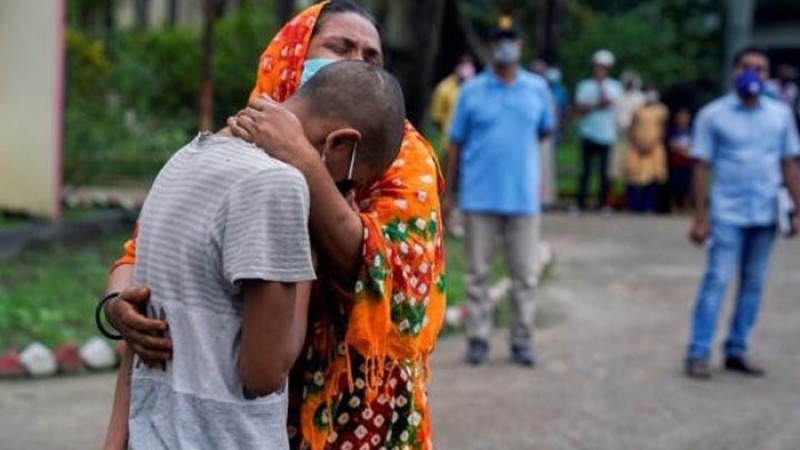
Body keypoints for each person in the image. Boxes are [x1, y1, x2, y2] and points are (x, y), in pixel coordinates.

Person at [99, 2, 446, 449]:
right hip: (244, 418)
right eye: (341, 47)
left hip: (352, 415)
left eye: (372, 56)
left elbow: (391, 275)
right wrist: (117, 305)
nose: (357, 64)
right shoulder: (252, 155)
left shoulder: (200, 151)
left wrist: (304, 163)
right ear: (295, 51)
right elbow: (142, 255)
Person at [443, 17, 556, 367]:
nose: (504, 47)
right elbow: (455, 145)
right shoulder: (471, 91)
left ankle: (522, 339)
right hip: (479, 198)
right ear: (490, 47)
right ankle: (478, 338)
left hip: (522, 198)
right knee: (478, 273)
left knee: (524, 274)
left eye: (511, 40)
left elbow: (543, 133)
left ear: (520, 47)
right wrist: (449, 193)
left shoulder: (537, 89)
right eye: (498, 41)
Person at [684, 47, 800, 380]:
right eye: (746, 67)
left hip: (766, 212)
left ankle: (737, 348)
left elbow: (789, 162)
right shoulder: (713, 115)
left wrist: (796, 210)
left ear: (767, 76)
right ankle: (698, 351)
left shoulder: (780, 115)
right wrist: (700, 217)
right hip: (727, 212)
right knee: (717, 280)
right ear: (734, 71)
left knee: (753, 283)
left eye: (760, 69)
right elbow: (701, 167)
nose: (753, 74)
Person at [430, 54, 476, 236]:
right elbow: (437, 116)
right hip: (450, 143)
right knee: (448, 185)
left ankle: (464, 223)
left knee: (467, 185)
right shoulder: (445, 88)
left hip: (472, 146)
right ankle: (444, 222)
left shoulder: (474, 88)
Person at [574, 49, 623, 212]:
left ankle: (603, 203)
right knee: (585, 171)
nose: (600, 70)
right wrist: (597, 104)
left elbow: (612, 104)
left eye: (603, 67)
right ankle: (580, 203)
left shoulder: (615, 86)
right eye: (598, 67)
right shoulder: (585, 85)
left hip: (606, 134)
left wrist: (595, 104)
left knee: (604, 172)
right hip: (588, 132)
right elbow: (580, 107)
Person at [624, 84, 668, 213]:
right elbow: (632, 127)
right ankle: (633, 205)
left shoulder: (661, 110)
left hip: (654, 148)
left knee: (653, 176)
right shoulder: (637, 109)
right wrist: (637, 143)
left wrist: (652, 144)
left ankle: (649, 205)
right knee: (634, 176)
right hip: (637, 147)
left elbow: (662, 128)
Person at [609, 71, 645, 205]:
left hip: (635, 140)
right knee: (614, 170)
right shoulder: (618, 98)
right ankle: (612, 200)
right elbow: (615, 117)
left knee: (632, 171)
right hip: (619, 138)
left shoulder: (641, 98)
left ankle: (630, 201)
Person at [667, 107, 694, 213]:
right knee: (674, 186)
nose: (682, 119)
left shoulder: (692, 132)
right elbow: (671, 146)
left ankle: (687, 207)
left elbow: (693, 147)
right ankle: (673, 207)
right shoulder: (672, 132)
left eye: (685, 116)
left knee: (688, 187)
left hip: (688, 164)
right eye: (680, 117)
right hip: (675, 163)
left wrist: (683, 149)